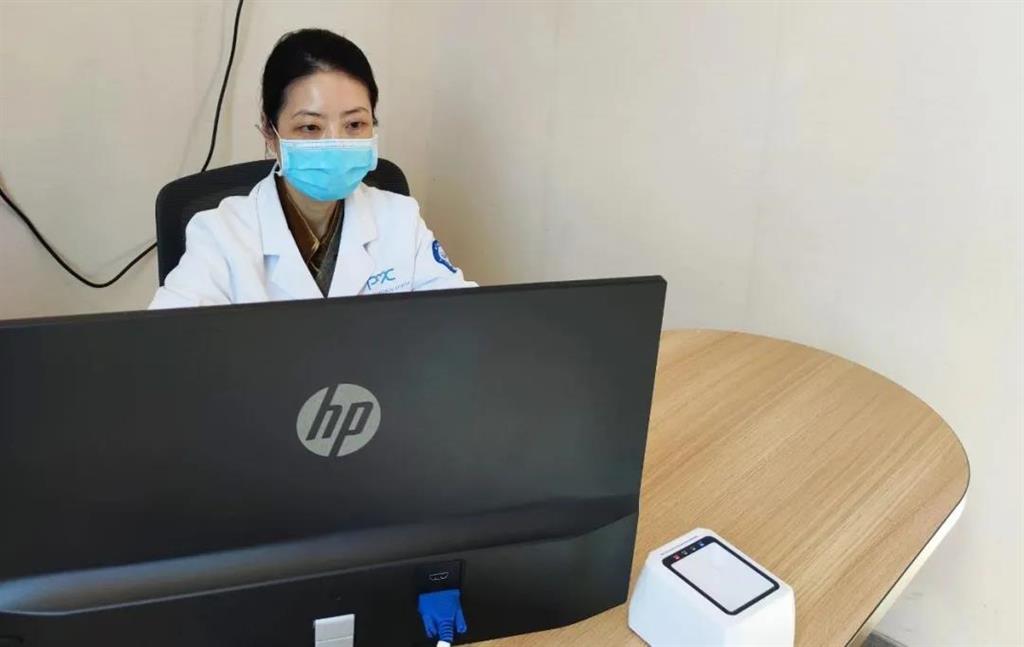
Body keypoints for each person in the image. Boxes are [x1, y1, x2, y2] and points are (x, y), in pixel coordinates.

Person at [150, 28, 474, 308]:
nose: (336, 143)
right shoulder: (220, 235)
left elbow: (462, 319)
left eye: (355, 124)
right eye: (310, 127)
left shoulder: (400, 220)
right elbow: (168, 343)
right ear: (270, 134)